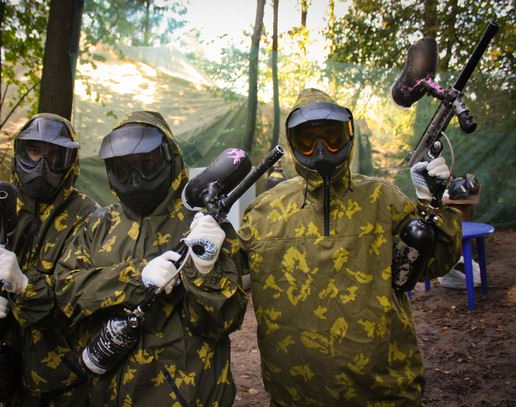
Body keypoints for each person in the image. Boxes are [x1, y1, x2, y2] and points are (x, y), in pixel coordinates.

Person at [238, 88, 462, 406]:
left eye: (331, 136)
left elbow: (436, 263)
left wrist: (435, 205)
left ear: (348, 135)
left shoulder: (383, 199)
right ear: (292, 143)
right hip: (296, 397)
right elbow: (225, 286)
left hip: (384, 394)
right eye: (307, 139)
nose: (320, 149)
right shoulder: (264, 212)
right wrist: (205, 249)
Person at [54, 111, 248, 406]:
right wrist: (135, 277)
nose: (135, 177)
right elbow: (66, 292)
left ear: (170, 159)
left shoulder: (204, 226)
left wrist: (206, 270)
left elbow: (223, 321)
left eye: (146, 163)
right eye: (123, 167)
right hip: (106, 395)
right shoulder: (98, 226)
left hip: (187, 398)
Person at [0, 113, 99, 406]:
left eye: (54, 155)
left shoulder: (90, 219)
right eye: (34, 152)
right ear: (20, 153)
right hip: (12, 379)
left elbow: (91, 297)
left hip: (72, 382)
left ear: (69, 161)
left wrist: (25, 286)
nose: (42, 165)